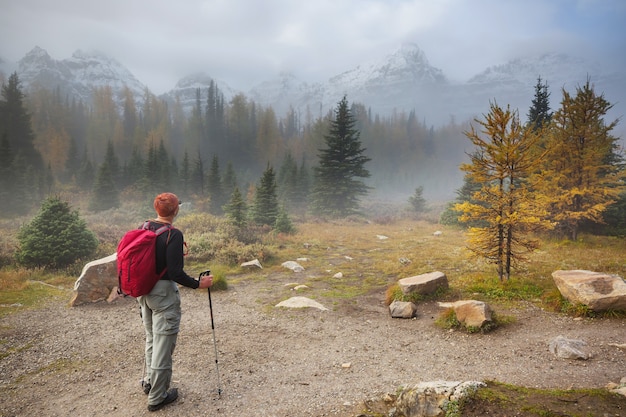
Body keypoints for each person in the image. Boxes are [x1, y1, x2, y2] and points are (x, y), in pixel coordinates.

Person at [138, 192, 213, 412]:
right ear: (176, 210)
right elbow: (175, 272)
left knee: (152, 338)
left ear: (156, 208)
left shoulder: (144, 226)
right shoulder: (173, 234)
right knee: (163, 344)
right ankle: (157, 397)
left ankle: (151, 382)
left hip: (144, 291)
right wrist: (199, 284)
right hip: (163, 294)